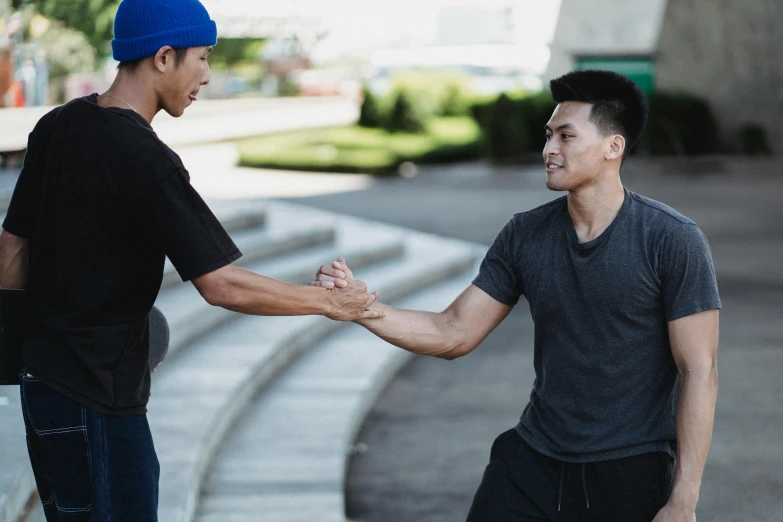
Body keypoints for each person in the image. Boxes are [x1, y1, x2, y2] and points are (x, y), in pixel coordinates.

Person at [0, 0, 382, 520]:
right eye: (201, 58)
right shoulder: (146, 159)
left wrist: (25, 355)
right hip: (100, 402)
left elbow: (13, 250)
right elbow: (220, 284)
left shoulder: (57, 126)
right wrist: (328, 303)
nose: (205, 75)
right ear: (163, 57)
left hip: (45, 390)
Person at [315, 70, 720, 522]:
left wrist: (684, 498)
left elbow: (698, 370)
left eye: (566, 137)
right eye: (548, 136)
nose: (548, 150)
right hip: (532, 459)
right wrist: (360, 308)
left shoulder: (671, 239)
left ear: (613, 147)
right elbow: (454, 332)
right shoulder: (525, 234)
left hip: (628, 469)